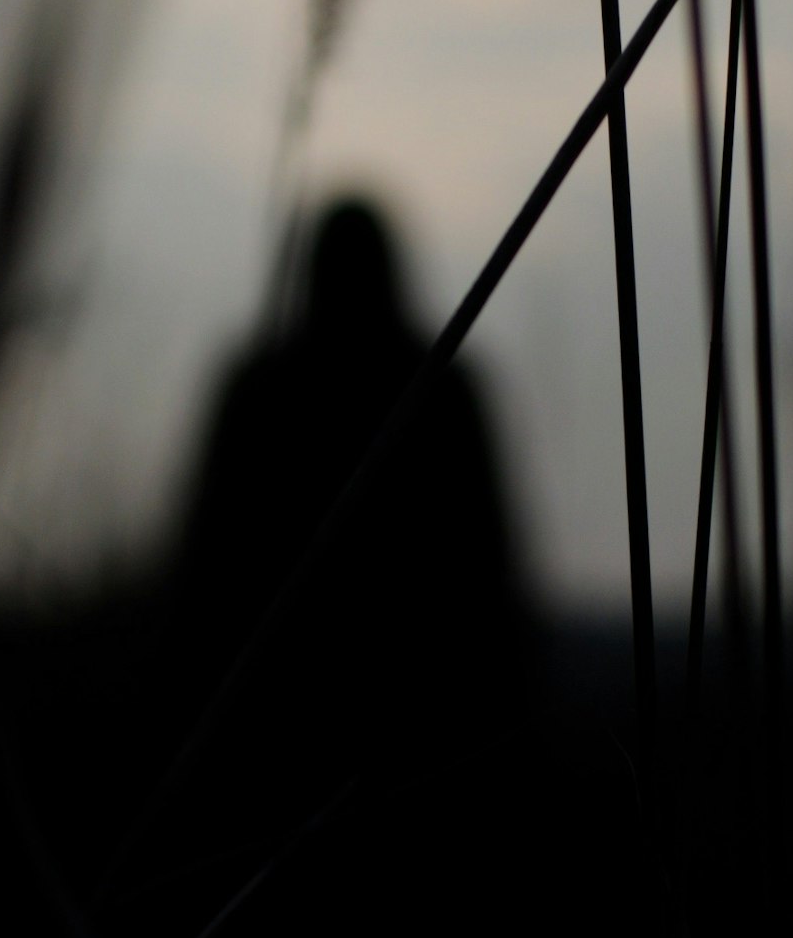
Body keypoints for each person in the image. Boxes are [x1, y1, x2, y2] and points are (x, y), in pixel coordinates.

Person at [165, 196, 530, 777]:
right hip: (419, 729)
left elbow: (199, 576)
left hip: (273, 737)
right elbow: (492, 574)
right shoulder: (445, 391)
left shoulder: (260, 393)